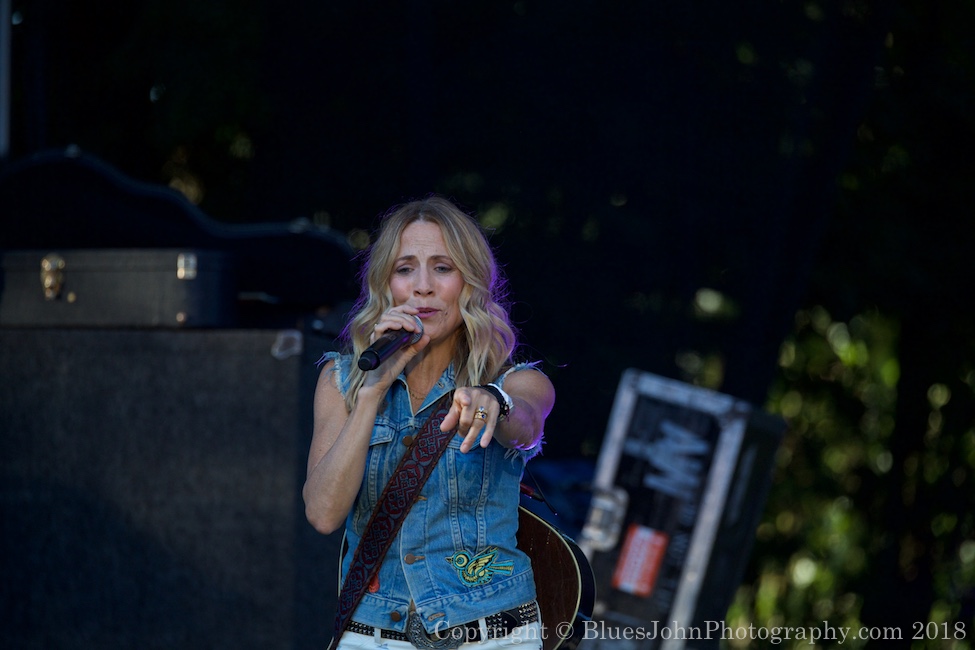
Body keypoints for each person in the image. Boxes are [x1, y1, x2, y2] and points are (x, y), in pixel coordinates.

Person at [304, 195, 556, 650]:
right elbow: (322, 514)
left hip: (491, 633)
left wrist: (493, 401)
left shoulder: (518, 380)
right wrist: (372, 393)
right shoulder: (341, 380)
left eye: (442, 267)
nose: (423, 286)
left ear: (469, 282)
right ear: (387, 285)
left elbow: (527, 422)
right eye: (405, 269)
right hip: (375, 633)